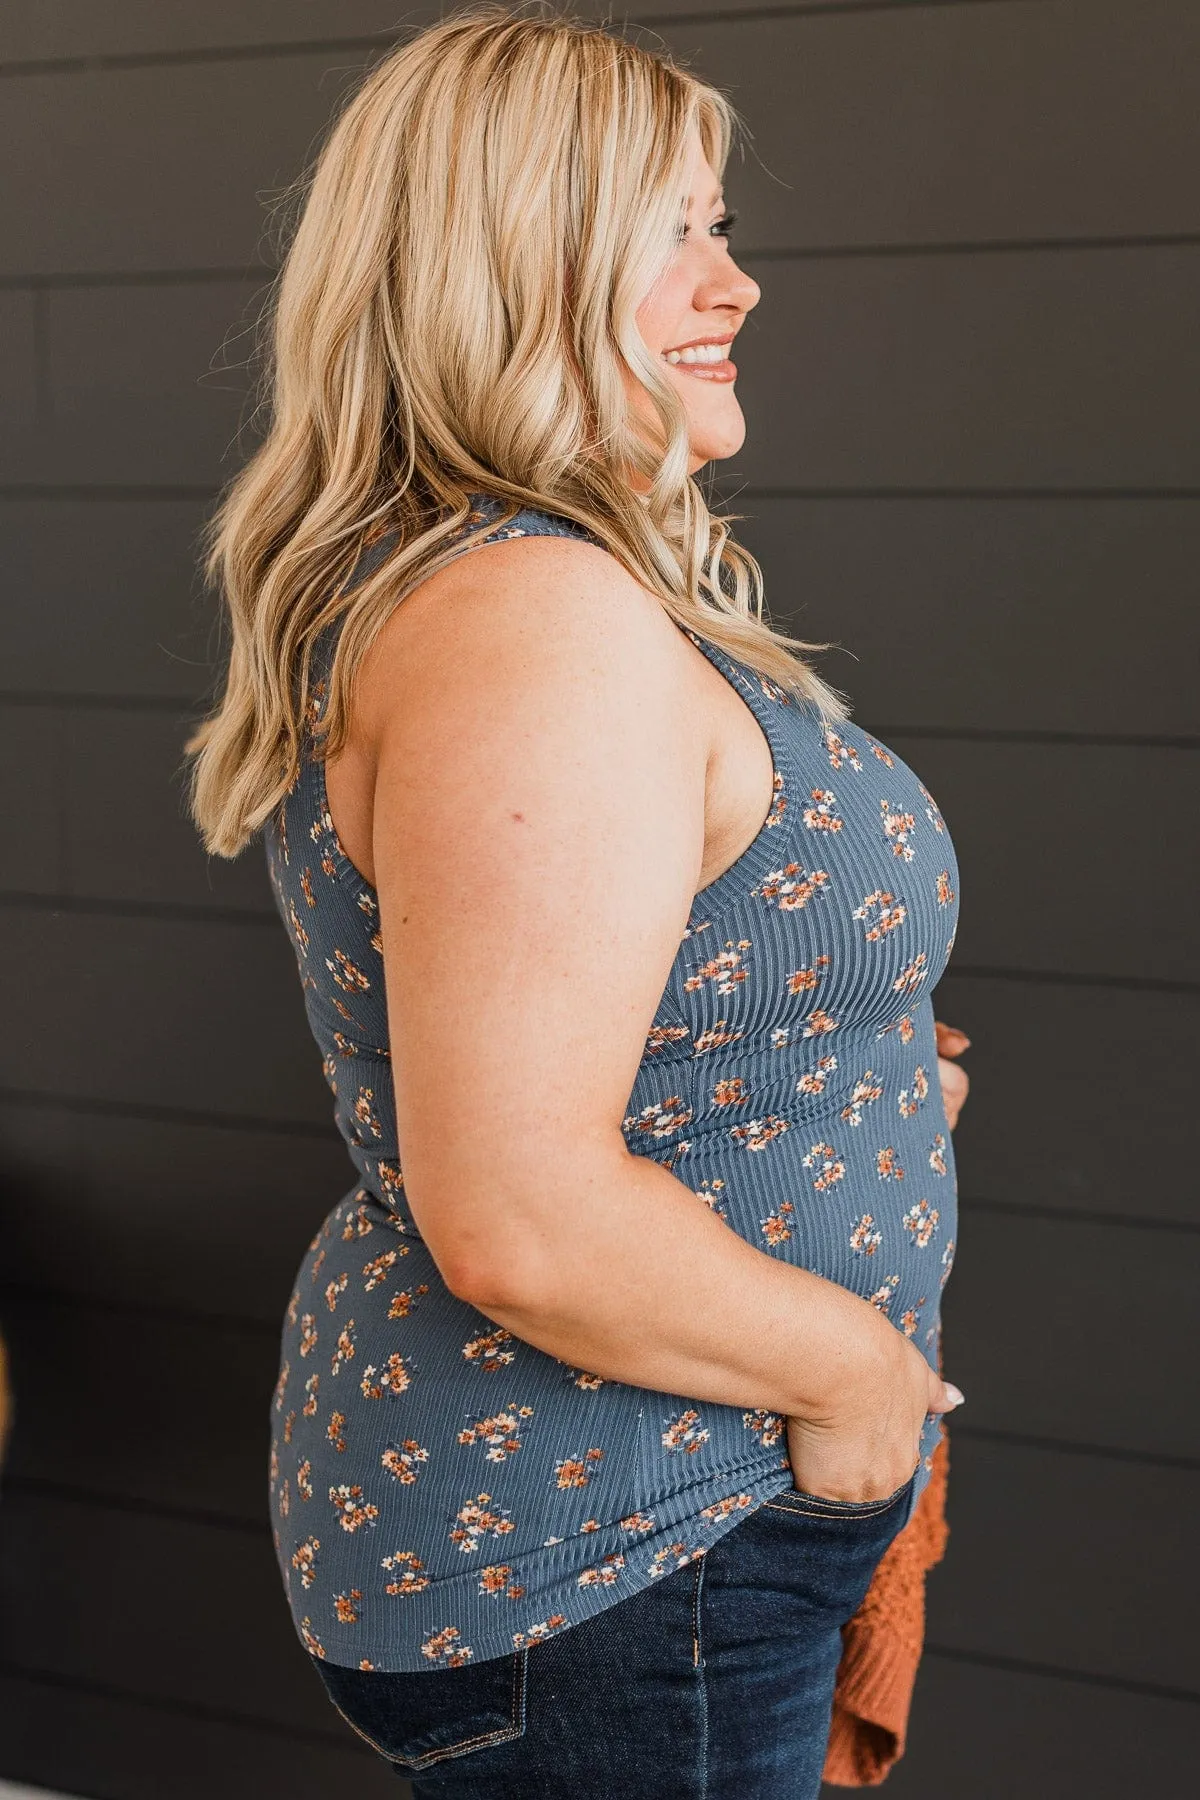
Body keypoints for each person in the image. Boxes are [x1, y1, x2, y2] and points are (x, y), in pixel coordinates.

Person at [184, 6, 970, 1794]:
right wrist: (854, 1381)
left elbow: (632, 994)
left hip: (647, 1522)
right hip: (633, 1537)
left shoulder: (519, 586)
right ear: (515, 266)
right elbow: (521, 1212)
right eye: (677, 229)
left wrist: (846, 1075)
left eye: (724, 226)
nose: (737, 282)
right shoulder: (533, 621)